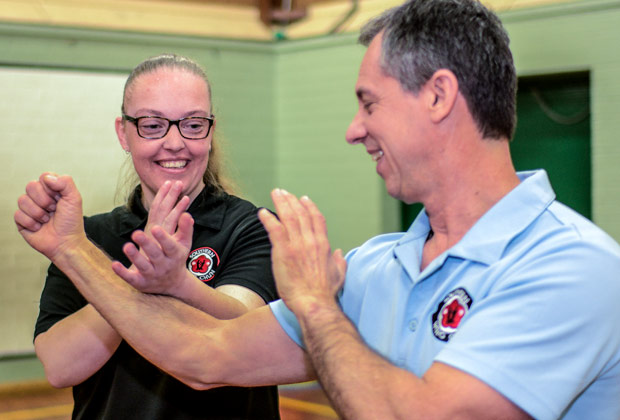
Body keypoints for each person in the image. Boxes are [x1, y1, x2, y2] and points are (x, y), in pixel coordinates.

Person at [15, 1, 620, 419]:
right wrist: (71, 248)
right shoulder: (381, 264)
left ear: (438, 96)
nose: (354, 131)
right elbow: (202, 356)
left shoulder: (574, 267)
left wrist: (316, 309)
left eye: (369, 103)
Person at [26, 54, 281, 419]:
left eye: (193, 125)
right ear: (123, 133)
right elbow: (60, 366)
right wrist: (132, 277)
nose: (175, 142)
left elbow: (246, 333)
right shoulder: (87, 239)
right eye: (153, 125)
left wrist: (178, 283)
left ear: (210, 131)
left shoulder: (253, 226)